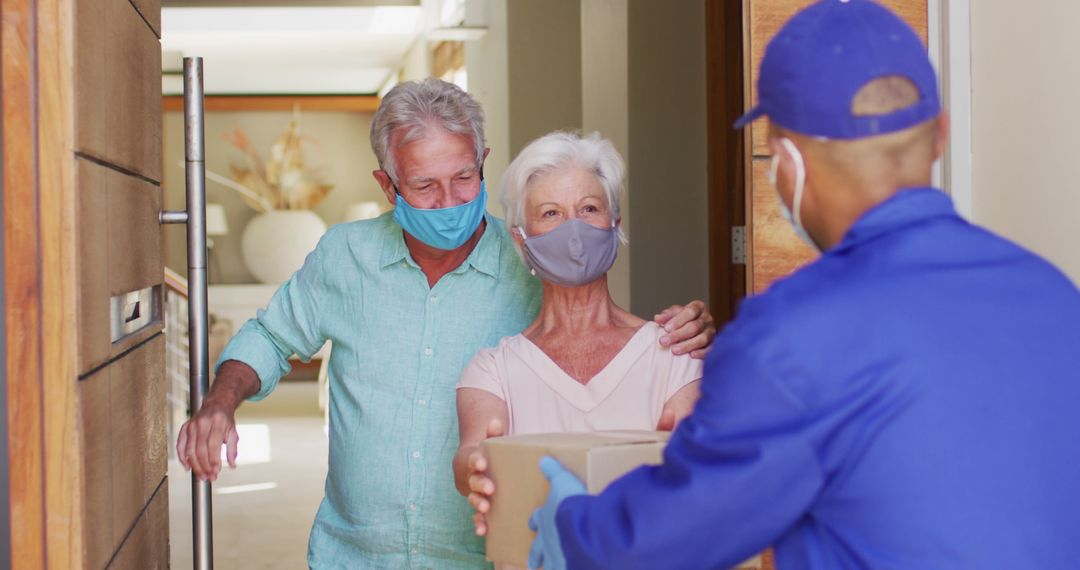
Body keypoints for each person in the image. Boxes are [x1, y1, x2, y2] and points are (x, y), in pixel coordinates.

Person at [528, 1, 1080, 568]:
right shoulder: (1054, 297)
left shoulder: (792, 336)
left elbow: (664, 538)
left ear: (787, 162)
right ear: (940, 134)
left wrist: (574, 525)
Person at [173, 78, 716, 569]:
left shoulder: (530, 258)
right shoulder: (345, 256)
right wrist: (220, 401)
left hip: (480, 556)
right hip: (353, 556)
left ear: (483, 162)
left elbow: (596, 323)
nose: (449, 201)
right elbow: (271, 336)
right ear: (388, 186)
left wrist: (684, 335)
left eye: (463, 177)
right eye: (424, 186)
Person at [452, 132, 702, 536]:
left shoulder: (674, 353)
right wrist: (478, 468)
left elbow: (700, 475)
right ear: (521, 238)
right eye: (550, 213)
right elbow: (470, 456)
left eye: (589, 208)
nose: (573, 230)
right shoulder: (493, 370)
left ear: (614, 222)